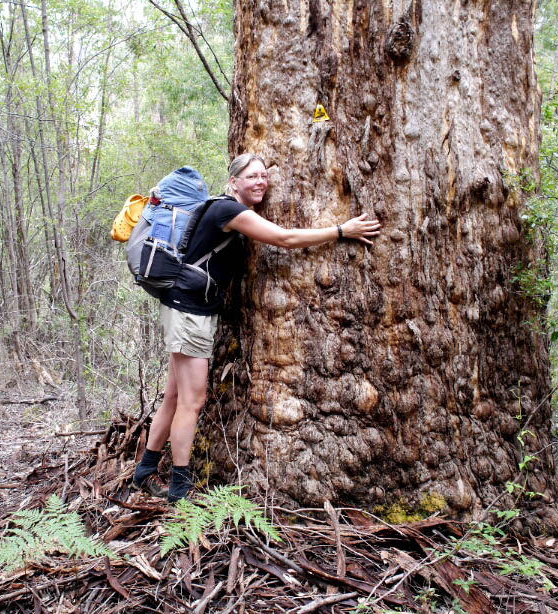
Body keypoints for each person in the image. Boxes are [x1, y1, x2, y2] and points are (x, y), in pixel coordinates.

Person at [132, 153, 382, 502]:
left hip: (186, 308)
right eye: (252, 176)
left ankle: (143, 472)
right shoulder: (226, 211)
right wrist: (342, 231)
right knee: (193, 400)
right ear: (233, 182)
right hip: (190, 312)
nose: (261, 181)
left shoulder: (224, 211)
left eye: (264, 175)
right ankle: (179, 489)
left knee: (175, 397)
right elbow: (285, 238)